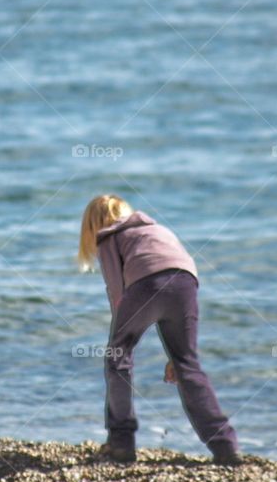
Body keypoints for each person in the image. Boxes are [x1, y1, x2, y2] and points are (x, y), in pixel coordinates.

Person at [78, 194, 241, 465]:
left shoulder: (108, 236)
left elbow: (118, 292)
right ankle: (225, 447)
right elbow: (171, 272)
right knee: (187, 365)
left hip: (145, 285)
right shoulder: (157, 228)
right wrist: (175, 353)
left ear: (94, 224)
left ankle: (121, 444)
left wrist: (119, 334)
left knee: (118, 358)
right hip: (186, 281)